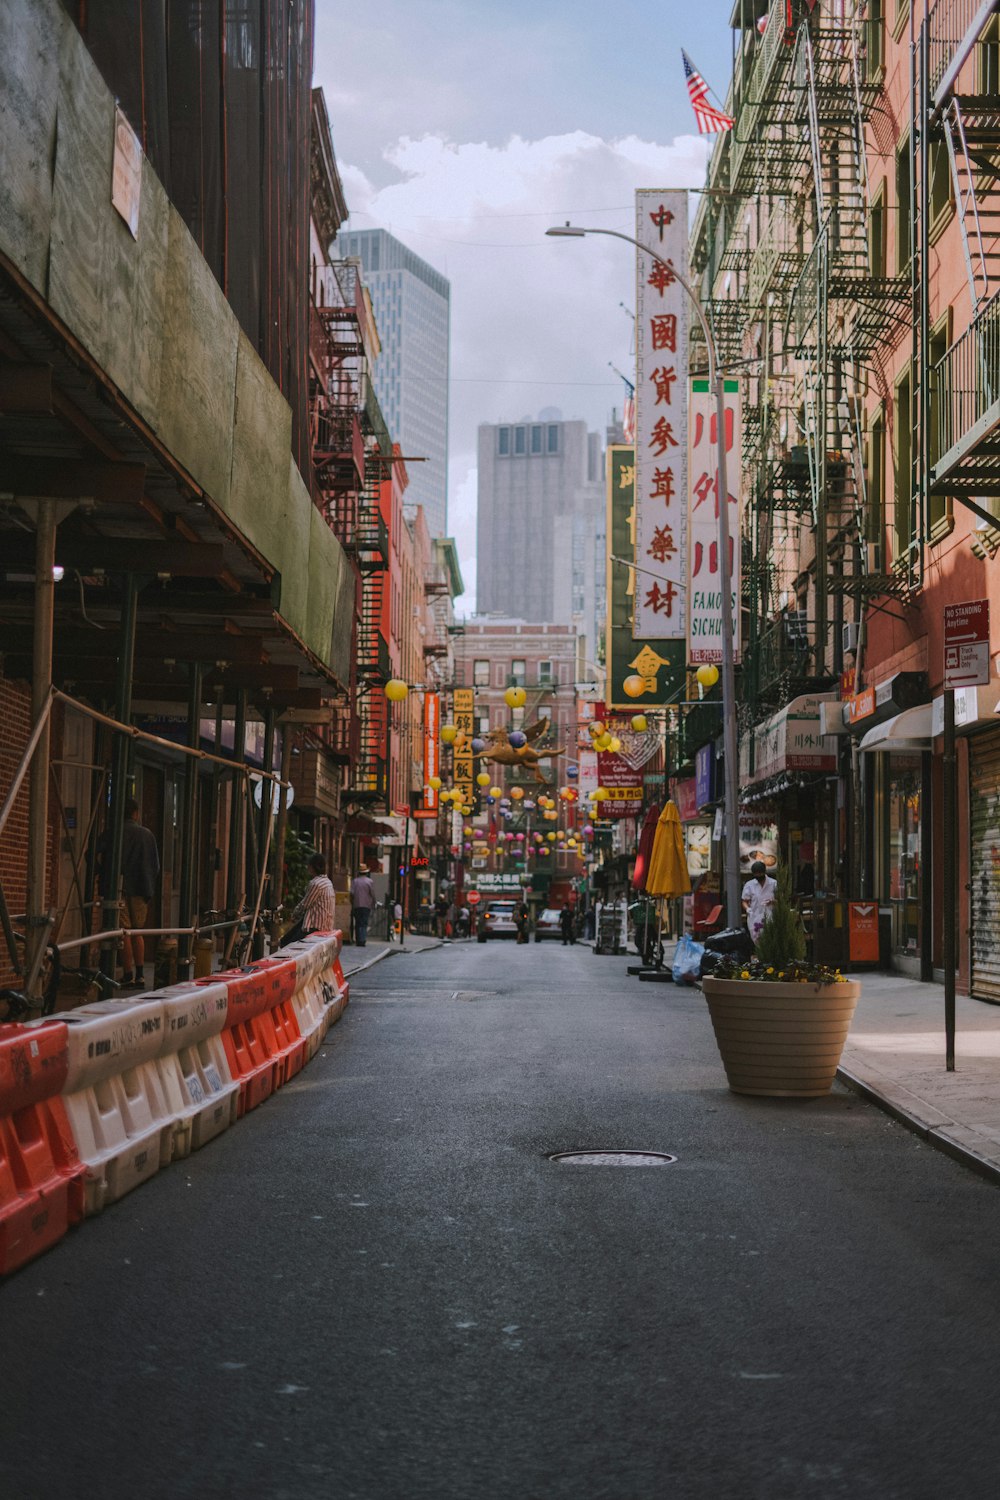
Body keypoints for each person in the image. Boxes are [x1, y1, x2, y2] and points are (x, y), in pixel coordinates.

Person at [119, 798, 159, 989]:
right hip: (141, 888)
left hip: (121, 888)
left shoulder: (116, 832)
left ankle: (128, 974)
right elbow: (155, 865)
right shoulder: (147, 835)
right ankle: (141, 975)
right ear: (135, 813)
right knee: (138, 931)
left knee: (124, 932)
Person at [281, 854, 336, 946]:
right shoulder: (327, 882)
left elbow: (305, 904)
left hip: (315, 926)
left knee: (286, 943)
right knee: (288, 938)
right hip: (325, 924)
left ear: (313, 867)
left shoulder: (315, 883)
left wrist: (293, 915)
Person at [742, 859, 778, 944]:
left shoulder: (773, 883)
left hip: (770, 916)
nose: (758, 876)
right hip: (754, 916)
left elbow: (781, 900)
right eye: (756, 874)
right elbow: (744, 901)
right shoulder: (749, 885)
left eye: (760, 873)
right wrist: (748, 909)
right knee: (757, 941)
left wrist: (772, 901)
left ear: (764, 872)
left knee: (770, 940)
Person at [350, 868, 376, 946]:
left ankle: (358, 940)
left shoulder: (355, 881)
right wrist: (374, 902)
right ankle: (363, 939)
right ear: (366, 873)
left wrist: (352, 902)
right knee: (364, 923)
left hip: (357, 905)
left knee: (358, 923)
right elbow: (372, 893)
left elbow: (351, 893)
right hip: (366, 905)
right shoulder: (370, 882)